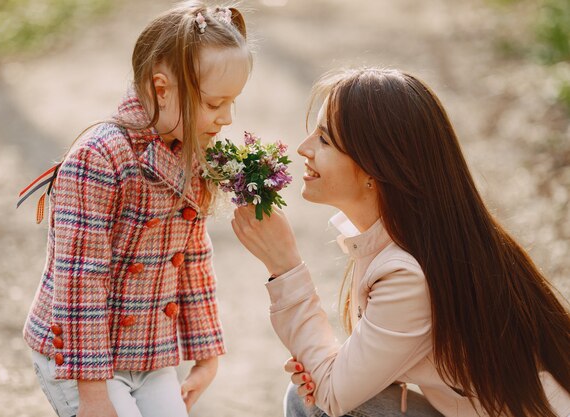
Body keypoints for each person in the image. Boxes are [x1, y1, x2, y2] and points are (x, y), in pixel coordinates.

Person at [232, 68, 570, 416]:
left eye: (325, 140)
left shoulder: (408, 273)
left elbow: (333, 396)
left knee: (317, 403)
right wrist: (326, 369)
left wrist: (284, 266)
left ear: (374, 171)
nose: (305, 148)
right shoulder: (422, 239)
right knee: (311, 394)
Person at [21, 2, 251, 417]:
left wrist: (206, 352)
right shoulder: (100, 157)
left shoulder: (190, 155)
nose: (228, 118)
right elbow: (79, 282)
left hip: (148, 350)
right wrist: (92, 396)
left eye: (233, 102)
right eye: (215, 104)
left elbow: (192, 260)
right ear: (161, 89)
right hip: (81, 356)